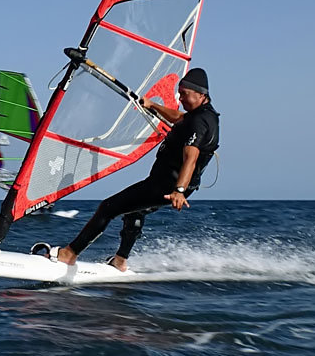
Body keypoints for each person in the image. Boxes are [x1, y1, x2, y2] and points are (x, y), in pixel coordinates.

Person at [55, 67, 219, 270]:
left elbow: (191, 158)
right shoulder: (200, 114)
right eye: (180, 93)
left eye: (185, 94)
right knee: (134, 212)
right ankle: (120, 262)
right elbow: (178, 117)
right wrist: (152, 105)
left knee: (108, 208)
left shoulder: (200, 122)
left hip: (167, 187)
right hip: (167, 183)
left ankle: (69, 254)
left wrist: (179, 190)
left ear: (201, 94)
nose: (181, 98)